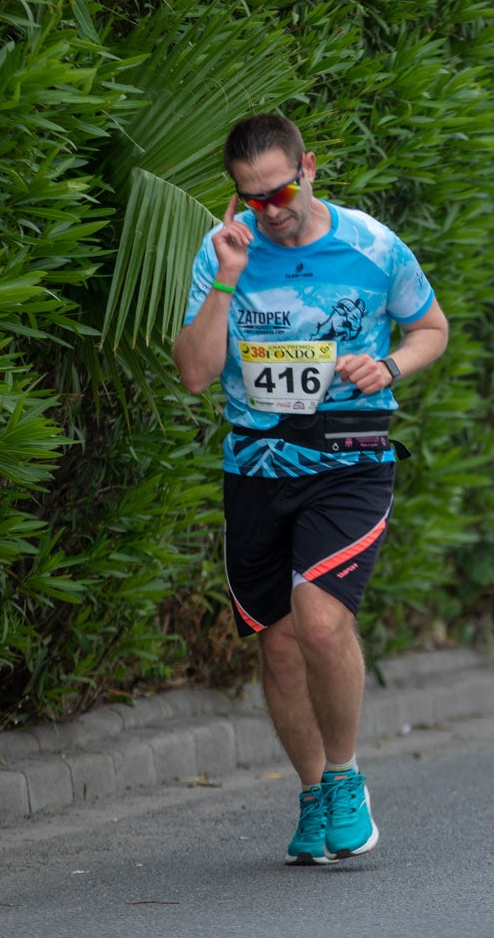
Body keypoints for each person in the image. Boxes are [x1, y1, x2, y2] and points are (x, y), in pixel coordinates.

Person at [172, 112, 450, 866]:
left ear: (310, 167)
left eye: (282, 190)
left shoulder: (372, 246)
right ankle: (313, 791)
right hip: (257, 466)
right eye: (252, 196)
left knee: (321, 623)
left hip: (349, 457)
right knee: (280, 645)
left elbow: (432, 329)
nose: (271, 209)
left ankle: (346, 775)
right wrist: (226, 279)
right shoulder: (223, 252)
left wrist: (388, 367)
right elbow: (194, 373)